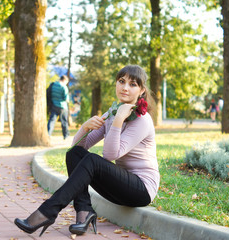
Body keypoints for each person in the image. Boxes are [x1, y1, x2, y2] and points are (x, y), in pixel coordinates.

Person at [14, 65, 160, 237]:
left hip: (141, 190)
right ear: (116, 84)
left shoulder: (142, 120)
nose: (125, 87)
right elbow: (78, 148)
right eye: (121, 81)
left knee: (93, 161)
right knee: (73, 154)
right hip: (120, 186)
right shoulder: (112, 113)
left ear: (142, 90)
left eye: (132, 84)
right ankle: (84, 212)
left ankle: (47, 211)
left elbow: (110, 155)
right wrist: (84, 128)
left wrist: (119, 119)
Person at [47, 75, 70, 139]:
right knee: (64, 122)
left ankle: (48, 134)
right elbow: (66, 99)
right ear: (64, 80)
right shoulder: (64, 87)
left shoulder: (53, 85)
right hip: (63, 107)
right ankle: (66, 135)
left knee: (52, 121)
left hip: (54, 106)